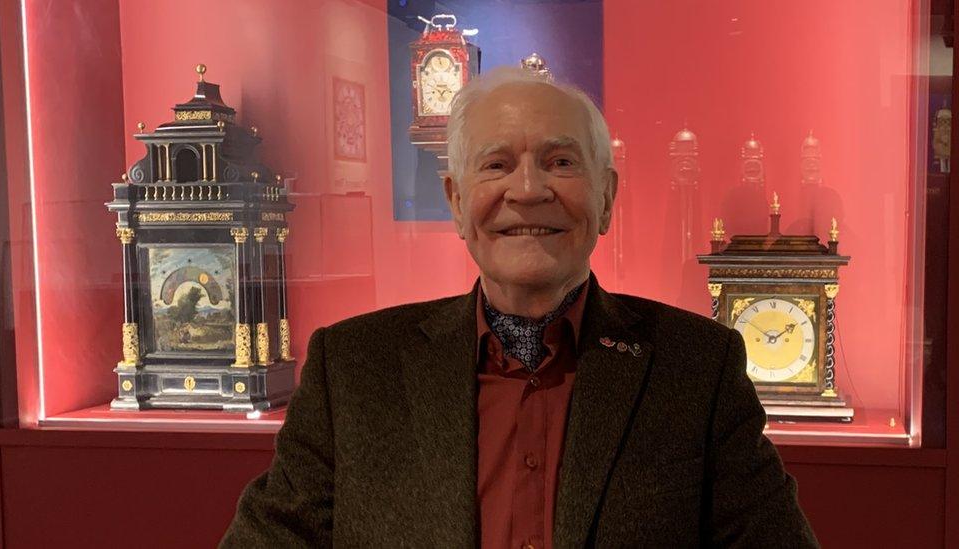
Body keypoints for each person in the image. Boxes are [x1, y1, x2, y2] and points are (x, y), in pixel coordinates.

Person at [221, 67, 819, 548]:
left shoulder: (697, 367)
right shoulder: (351, 368)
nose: (529, 190)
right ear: (457, 201)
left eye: (561, 162)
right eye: (496, 164)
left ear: (606, 197)